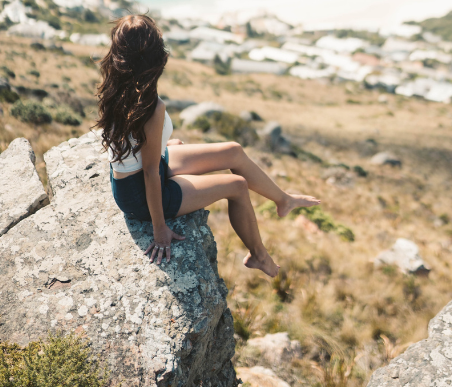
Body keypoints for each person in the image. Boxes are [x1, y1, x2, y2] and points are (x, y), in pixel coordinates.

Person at [96, 14, 320, 277]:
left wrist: (163, 148)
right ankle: (258, 255)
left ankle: (284, 200)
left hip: (131, 176)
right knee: (237, 186)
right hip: (140, 194)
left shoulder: (117, 85)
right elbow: (149, 173)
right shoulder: (151, 106)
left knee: (233, 151)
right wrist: (159, 229)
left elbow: (136, 146)